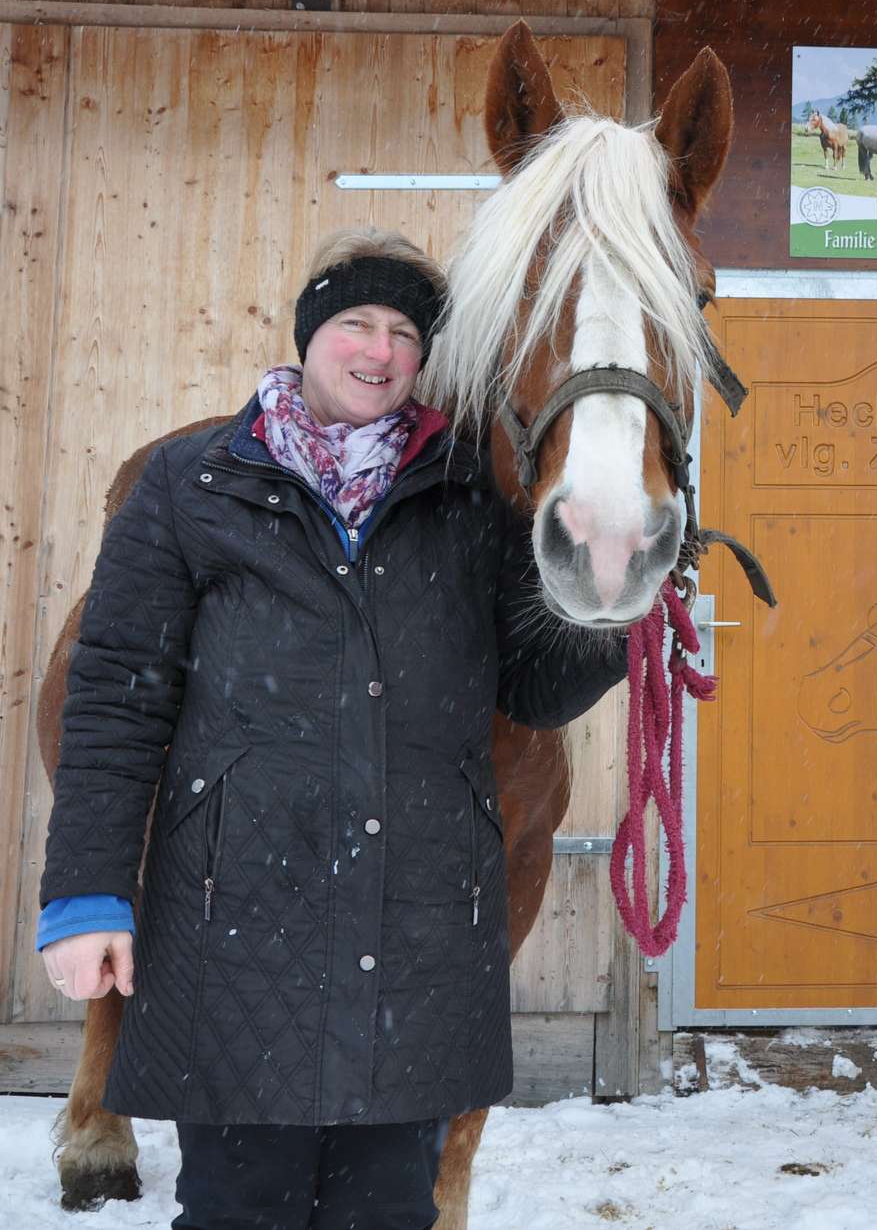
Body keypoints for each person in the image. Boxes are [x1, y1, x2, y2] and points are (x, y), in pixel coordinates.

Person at [38, 228, 627, 1229]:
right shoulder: (191, 484)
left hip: (409, 951)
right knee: (238, 1210)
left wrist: (617, 597)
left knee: (385, 1213)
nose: (379, 349)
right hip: (239, 945)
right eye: (355, 321)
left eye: (405, 332)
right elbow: (114, 700)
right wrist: (87, 891)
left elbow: (532, 687)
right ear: (309, 335)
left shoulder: (469, 500)